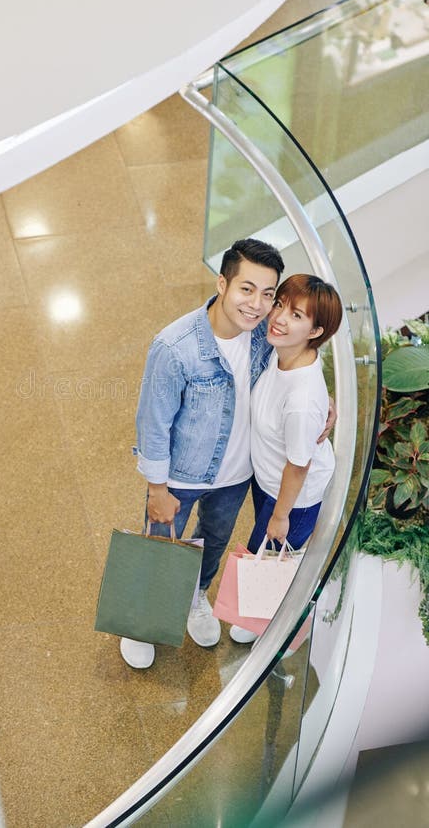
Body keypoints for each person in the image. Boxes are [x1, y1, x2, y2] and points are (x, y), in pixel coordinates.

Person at [120, 238, 285, 669]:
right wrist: (157, 487)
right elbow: (153, 423)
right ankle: (143, 620)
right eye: (247, 289)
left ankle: (196, 597)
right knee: (162, 546)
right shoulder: (175, 347)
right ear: (222, 283)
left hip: (236, 476)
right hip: (182, 474)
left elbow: (297, 362)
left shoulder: (266, 338)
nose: (257, 304)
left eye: (268, 293)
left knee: (213, 542)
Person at [229, 274, 343, 646]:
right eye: (280, 305)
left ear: (316, 330)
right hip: (270, 480)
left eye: (296, 315)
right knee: (263, 556)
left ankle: (269, 625)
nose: (278, 317)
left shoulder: (301, 397)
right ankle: (256, 610)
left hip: (292, 496)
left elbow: (299, 465)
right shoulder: (291, 354)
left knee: (271, 557)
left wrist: (280, 517)